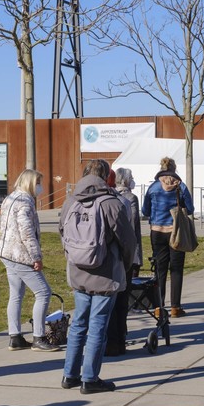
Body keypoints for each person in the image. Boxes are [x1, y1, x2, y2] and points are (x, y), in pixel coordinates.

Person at [60, 159, 137, 393]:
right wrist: (124, 266)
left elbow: (62, 232)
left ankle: (70, 374)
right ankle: (90, 378)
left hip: (78, 270)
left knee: (78, 324)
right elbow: (128, 240)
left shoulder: (70, 201)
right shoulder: (111, 202)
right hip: (105, 271)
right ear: (106, 176)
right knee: (97, 327)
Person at [0, 169, 60, 352]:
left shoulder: (10, 199)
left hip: (7, 252)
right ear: (31, 183)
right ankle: (39, 337)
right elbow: (27, 232)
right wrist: (36, 257)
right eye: (38, 183)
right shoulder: (24, 203)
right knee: (43, 292)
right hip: (20, 254)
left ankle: (14, 336)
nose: (40, 187)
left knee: (16, 294)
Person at [142, 157, 194, 318]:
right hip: (175, 231)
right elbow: (191, 209)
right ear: (174, 169)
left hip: (157, 231)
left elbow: (145, 211)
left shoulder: (153, 187)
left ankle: (159, 306)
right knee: (177, 269)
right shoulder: (181, 187)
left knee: (160, 269)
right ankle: (175, 307)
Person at [106, 167, 143, 356]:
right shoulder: (126, 200)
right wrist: (133, 256)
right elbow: (131, 228)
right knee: (120, 298)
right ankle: (118, 338)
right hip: (122, 255)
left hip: (104, 257)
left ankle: (116, 338)